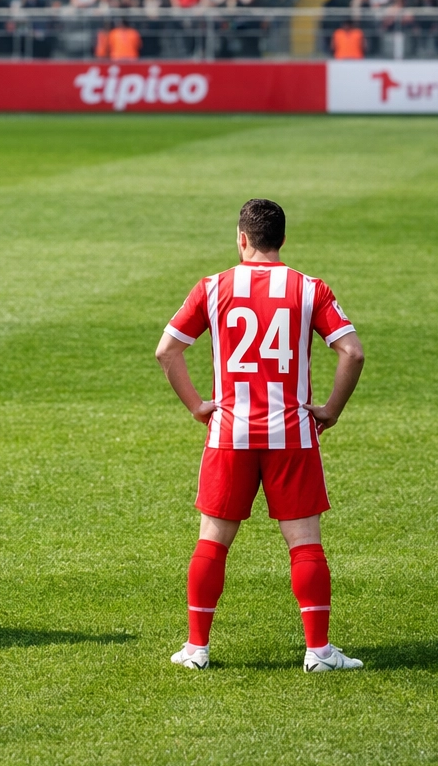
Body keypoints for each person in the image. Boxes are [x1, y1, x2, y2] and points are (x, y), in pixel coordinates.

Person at [155, 199, 365, 673]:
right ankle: (318, 652)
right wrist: (330, 411)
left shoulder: (212, 287)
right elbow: (352, 353)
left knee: (213, 541)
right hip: (291, 434)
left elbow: (166, 350)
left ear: (242, 239)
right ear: (283, 241)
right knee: (304, 543)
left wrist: (197, 406)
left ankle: (197, 649)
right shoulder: (310, 289)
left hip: (229, 434)